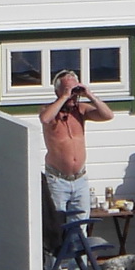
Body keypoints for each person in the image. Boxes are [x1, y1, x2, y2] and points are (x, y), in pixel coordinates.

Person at [39, 70, 110, 227]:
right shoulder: (48, 110)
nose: (72, 96)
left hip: (79, 179)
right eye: (68, 90)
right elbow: (45, 119)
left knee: (81, 224)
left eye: (74, 90)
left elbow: (108, 115)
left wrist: (89, 95)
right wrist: (64, 96)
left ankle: (78, 252)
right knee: (56, 225)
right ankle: (58, 252)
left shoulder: (81, 110)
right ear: (58, 91)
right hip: (57, 179)